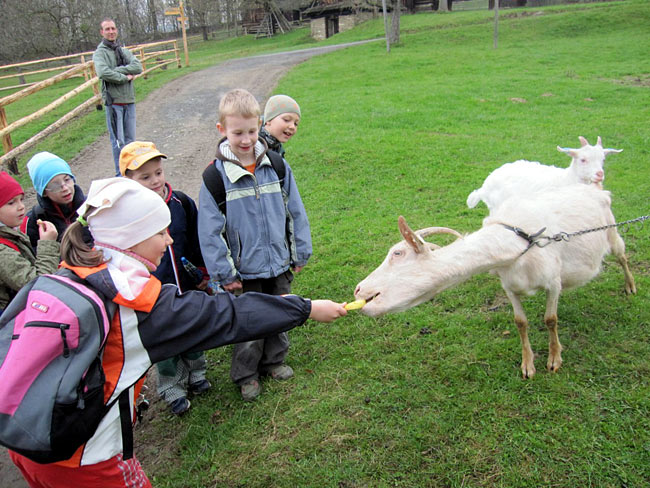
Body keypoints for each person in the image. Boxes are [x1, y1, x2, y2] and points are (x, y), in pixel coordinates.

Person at [8, 177, 346, 487]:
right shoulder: (134, 305)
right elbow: (227, 316)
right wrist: (305, 308)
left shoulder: (73, 272)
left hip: (27, 442)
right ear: (131, 237)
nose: (169, 240)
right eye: (160, 233)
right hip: (87, 458)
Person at [198, 88, 312, 401]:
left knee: (280, 312)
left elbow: (295, 211)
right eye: (238, 133)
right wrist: (224, 273)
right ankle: (246, 374)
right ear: (222, 129)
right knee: (248, 323)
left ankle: (274, 361)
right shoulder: (214, 177)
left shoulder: (276, 165)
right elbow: (210, 231)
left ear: (259, 124)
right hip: (243, 270)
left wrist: (299, 251)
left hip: (278, 261)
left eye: (251, 131)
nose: (246, 139)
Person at [120, 140, 211, 416]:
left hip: (186, 285)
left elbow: (196, 240)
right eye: (145, 177)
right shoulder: (127, 216)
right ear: (128, 180)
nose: (155, 181)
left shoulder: (181, 203)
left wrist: (202, 272)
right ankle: (172, 387)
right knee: (165, 340)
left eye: (158, 172)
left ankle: (197, 373)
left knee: (192, 328)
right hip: (153, 294)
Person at [0, 171, 60, 316]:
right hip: (11, 320)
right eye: (11, 203)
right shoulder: (2, 251)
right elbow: (39, 286)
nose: (21, 206)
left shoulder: (10, 232)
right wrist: (48, 245)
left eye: (21, 199)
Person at [93, 18, 142, 176]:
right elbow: (103, 72)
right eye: (107, 29)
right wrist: (124, 77)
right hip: (114, 102)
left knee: (130, 141)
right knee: (118, 142)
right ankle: (120, 174)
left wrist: (116, 70)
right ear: (102, 32)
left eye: (113, 28)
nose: (111, 32)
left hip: (129, 100)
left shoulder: (122, 50)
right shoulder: (100, 53)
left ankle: (131, 173)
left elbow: (137, 66)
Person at [23, 151, 90, 252]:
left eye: (67, 179)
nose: (65, 188)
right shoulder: (34, 221)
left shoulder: (90, 205)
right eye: (55, 185)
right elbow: (32, 254)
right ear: (44, 192)